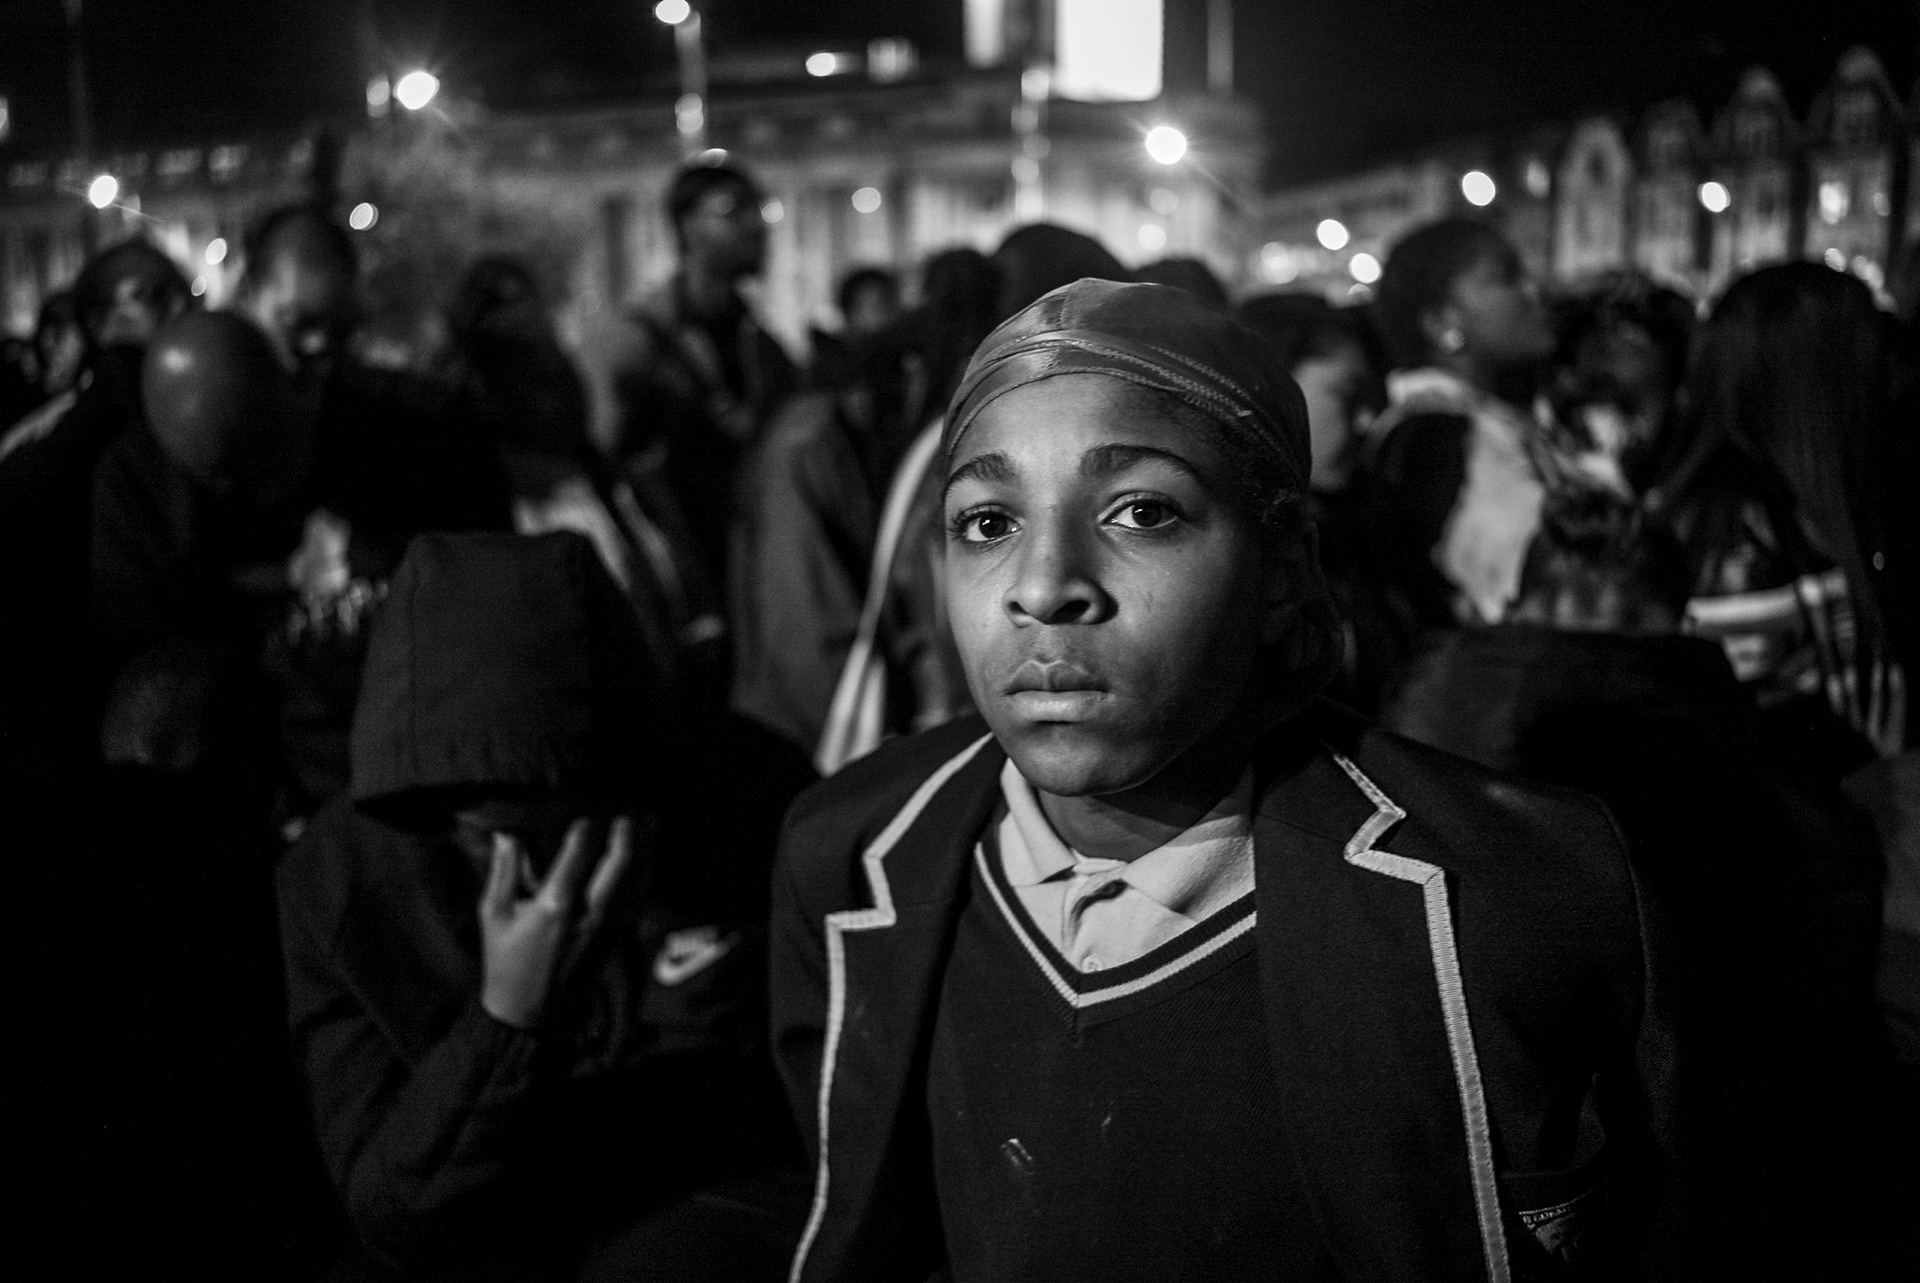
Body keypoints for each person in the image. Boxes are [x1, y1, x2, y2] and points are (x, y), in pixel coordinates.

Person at [771, 278, 1704, 1281]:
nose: (1043, 586)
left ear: (1286, 565)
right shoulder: (855, 859)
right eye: (989, 522)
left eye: (1140, 510)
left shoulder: (1515, 903)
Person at [279, 531, 809, 1280]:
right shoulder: (343, 885)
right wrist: (509, 1022)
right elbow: (393, 1219)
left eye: (565, 822)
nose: (534, 871)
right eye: (489, 833)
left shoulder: (742, 788)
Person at [1365, 217, 1613, 641]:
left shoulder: (1490, 419)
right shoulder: (1443, 438)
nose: (1533, 292)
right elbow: (1545, 581)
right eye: (1506, 278)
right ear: (1443, 322)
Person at [577, 159, 799, 588]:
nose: (755, 225)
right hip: (683, 581)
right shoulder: (633, 340)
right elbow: (597, 461)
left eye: (759, 209)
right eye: (731, 210)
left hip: (757, 568)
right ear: (685, 226)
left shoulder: (762, 346)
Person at [1238, 291, 1392, 709]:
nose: (1365, 420)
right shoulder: (1234, 552)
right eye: (1346, 394)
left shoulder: (1350, 529)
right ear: (1270, 389)